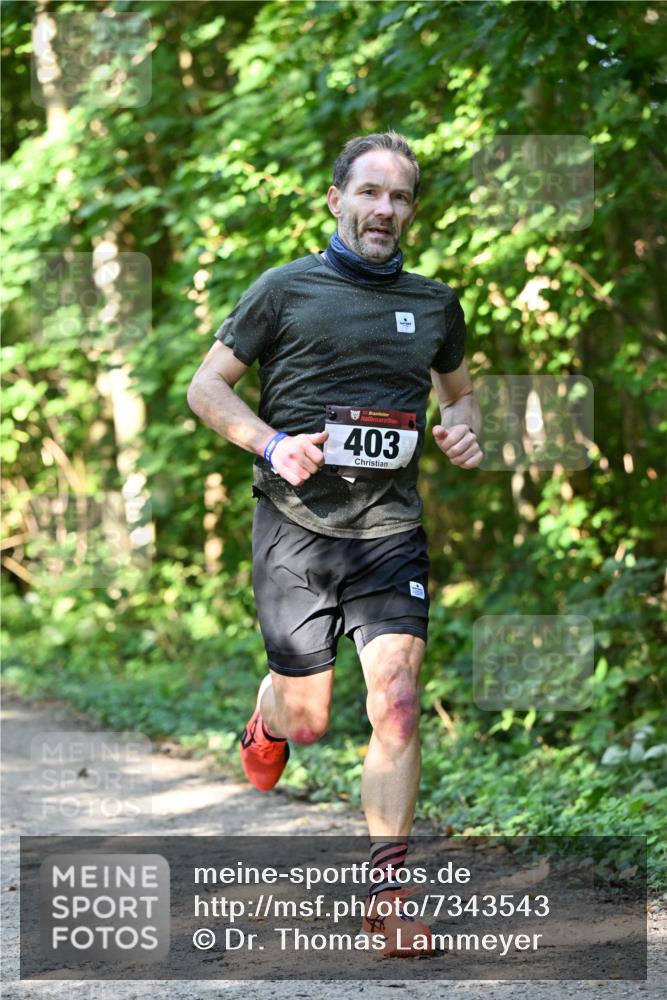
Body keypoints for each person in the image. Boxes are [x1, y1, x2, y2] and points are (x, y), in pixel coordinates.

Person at [187, 131, 483, 956]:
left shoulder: (434, 304)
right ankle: (270, 719)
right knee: (310, 720)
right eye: (370, 193)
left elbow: (460, 399)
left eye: (399, 198)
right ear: (335, 200)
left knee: (394, 701)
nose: (384, 210)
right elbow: (204, 386)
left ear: (411, 212)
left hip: (388, 532)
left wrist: (461, 431)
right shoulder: (284, 290)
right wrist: (271, 443)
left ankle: (388, 894)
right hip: (296, 528)